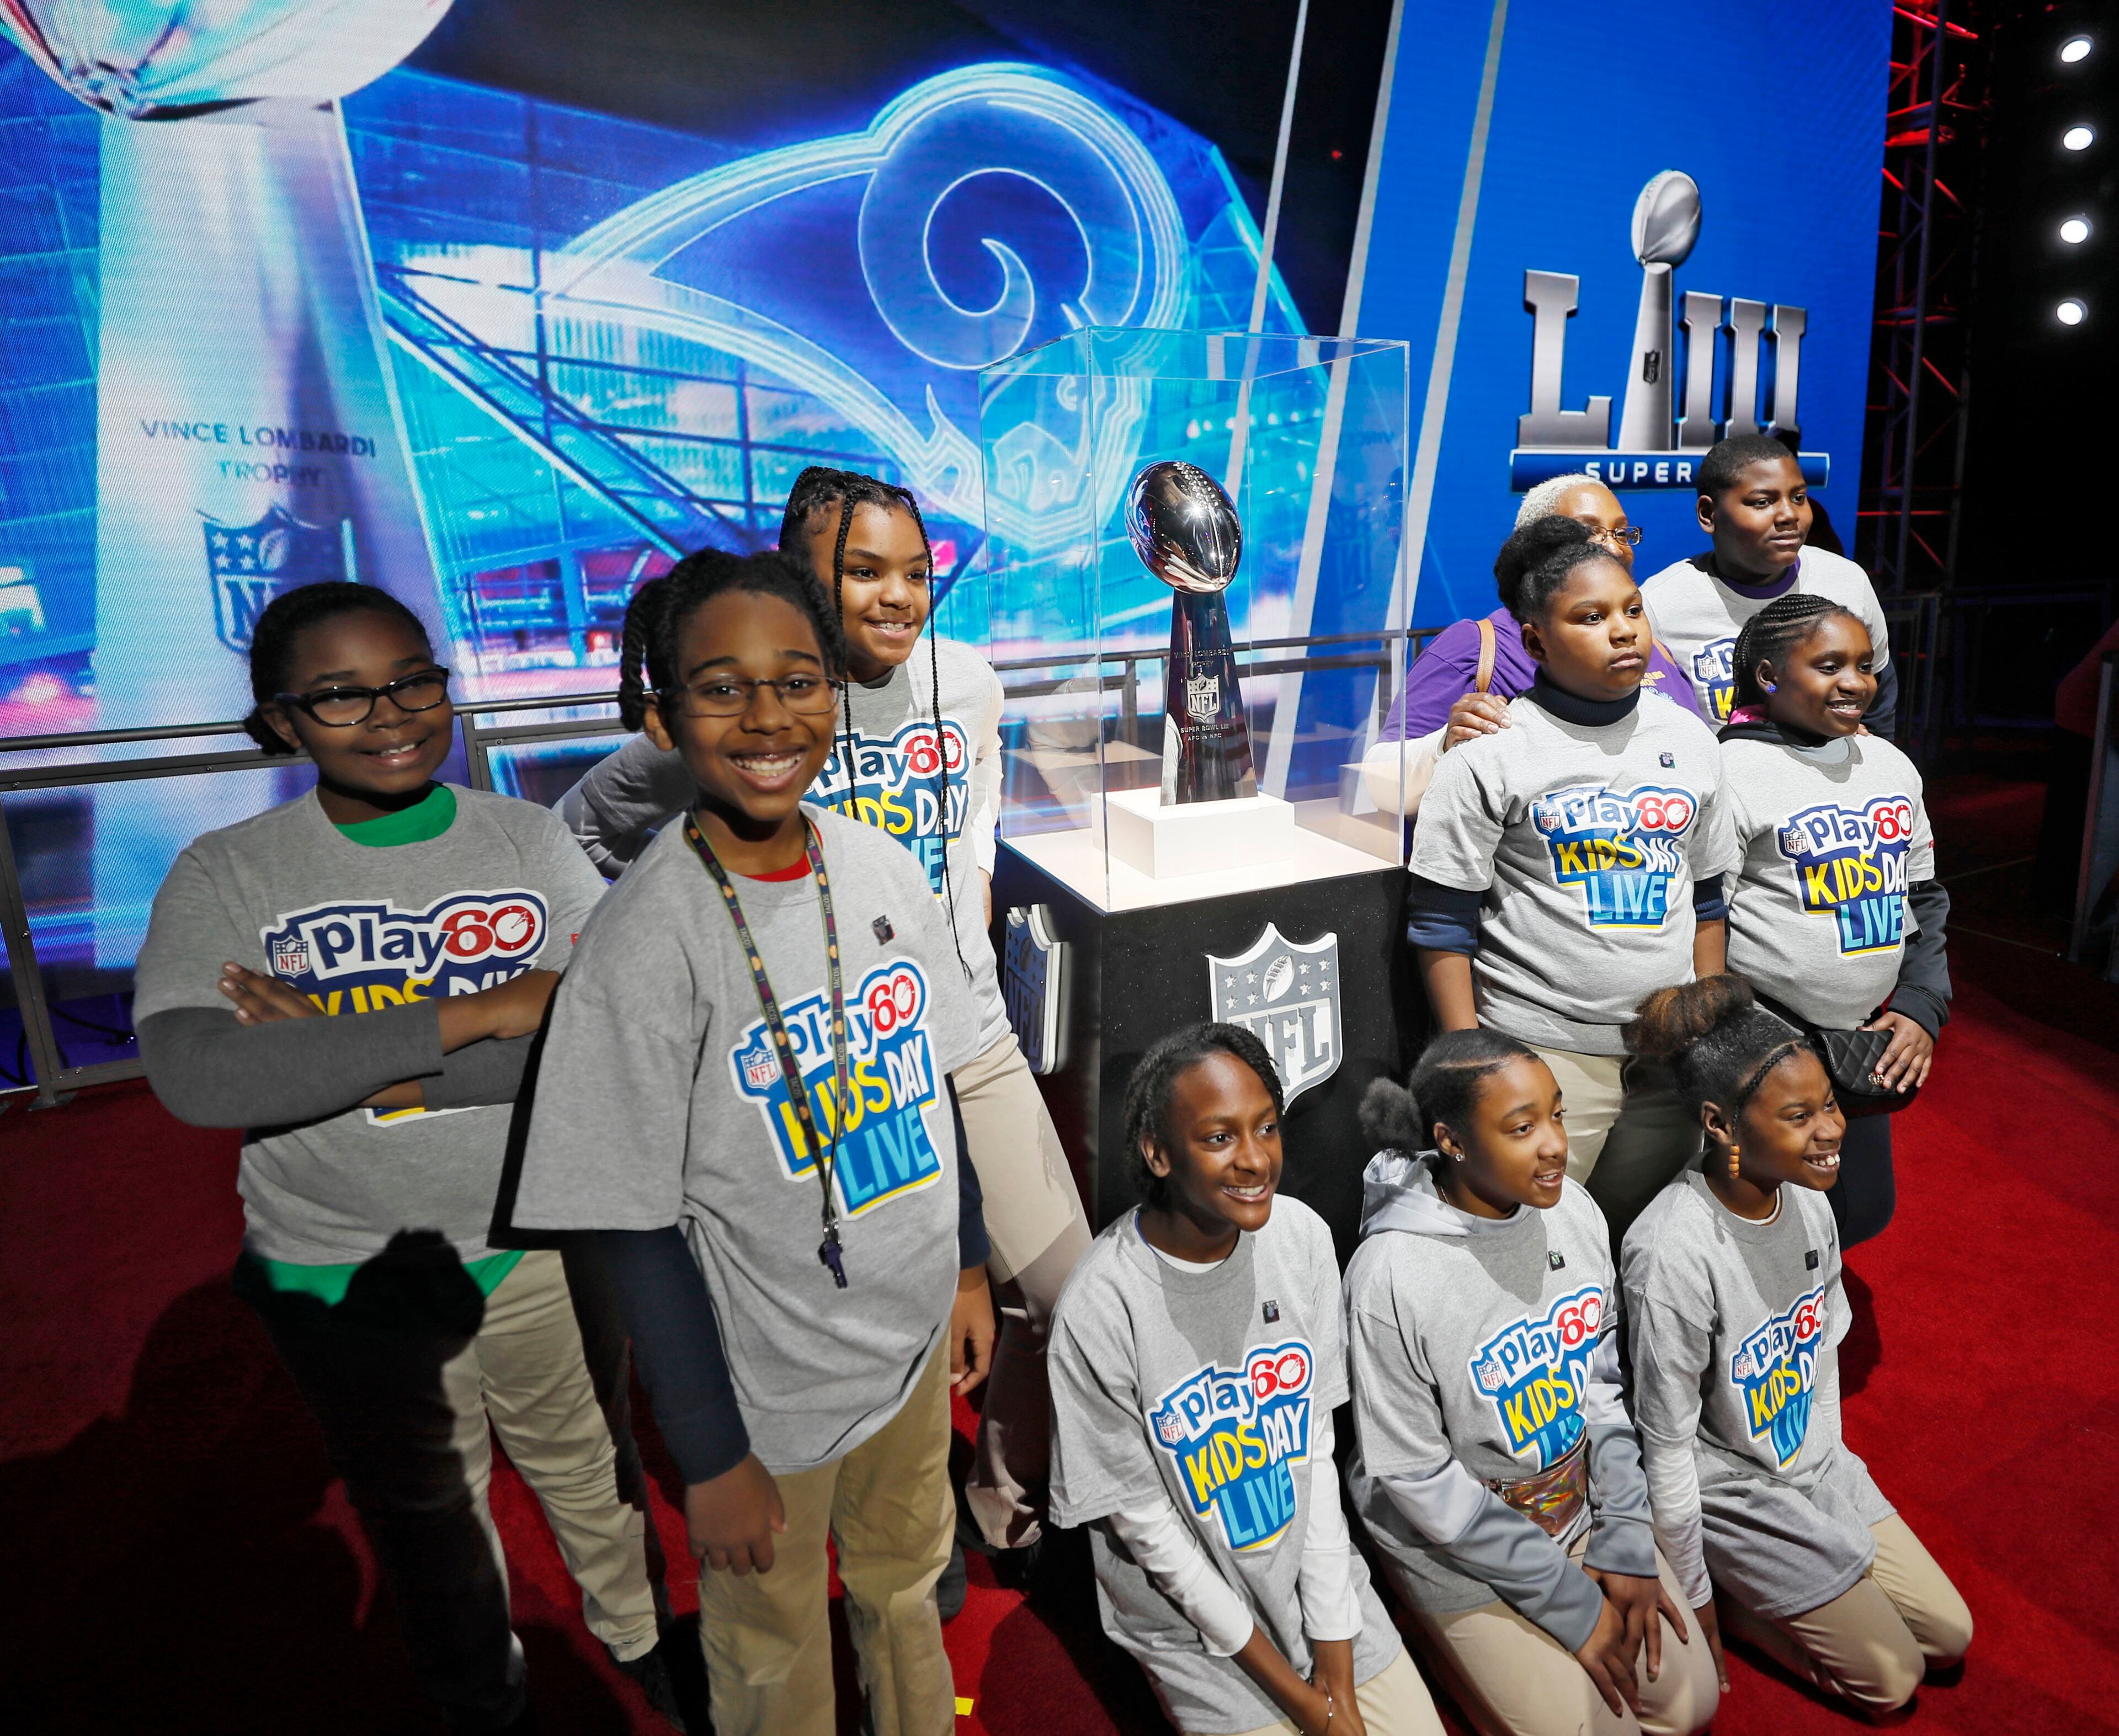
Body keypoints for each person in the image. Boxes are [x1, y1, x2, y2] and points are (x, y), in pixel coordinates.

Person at [132, 582, 676, 1735]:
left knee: (589, 1468)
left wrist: (337, 1055)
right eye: (339, 695)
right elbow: (204, 1075)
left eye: (413, 679)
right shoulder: (226, 872)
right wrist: (483, 1013)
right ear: (281, 720)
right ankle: (482, 1694)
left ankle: (643, 1642)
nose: (390, 713)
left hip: (533, 1237)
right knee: (426, 1511)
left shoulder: (526, 836)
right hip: (343, 1268)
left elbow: (607, 1032)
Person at [557, 467, 1090, 1574]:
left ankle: (997, 1496)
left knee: (1065, 1295)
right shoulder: (756, 707)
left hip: (966, 1036)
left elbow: (974, 846)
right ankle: (839, 1531)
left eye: (916, 570)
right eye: (862, 570)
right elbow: (579, 833)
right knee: (822, 1313)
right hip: (817, 1071)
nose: (898, 595)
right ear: (802, 575)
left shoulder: (973, 684)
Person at [509, 548, 994, 1736]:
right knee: (772, 1652)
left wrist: (971, 1261)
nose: (769, 715)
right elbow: (628, 1218)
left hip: (911, 1338)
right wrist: (711, 1452)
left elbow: (933, 1082)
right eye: (721, 687)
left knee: (904, 1590)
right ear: (661, 709)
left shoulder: (878, 865)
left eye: (799, 678)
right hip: (766, 1392)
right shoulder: (642, 941)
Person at [1046, 1024, 1441, 1736]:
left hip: (1315, 1575)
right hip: (1195, 1621)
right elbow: (1151, 1534)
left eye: (1265, 1127)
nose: (1256, 1158)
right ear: (1158, 1152)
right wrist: (1303, 1701)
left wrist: (1335, 1667)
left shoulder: (1301, 1237)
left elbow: (1314, 1456)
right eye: (1219, 1137)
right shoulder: (1097, 1307)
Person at [1343, 1031, 1717, 1736]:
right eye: (1521, 1127)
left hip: (1575, 1512)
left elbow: (1602, 1384)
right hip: (1456, 1551)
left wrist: (1628, 1532)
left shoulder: (1573, 1209)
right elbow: (1417, 1476)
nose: (1553, 1144)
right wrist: (1568, 1604)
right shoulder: (1389, 1276)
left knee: (1690, 1704)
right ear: (1451, 1141)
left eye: (1557, 1114)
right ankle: (1435, 1633)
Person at [1620, 976, 1972, 1716]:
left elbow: (1819, 1369)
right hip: (1731, 1490)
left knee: (1949, 1632)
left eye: (1831, 1104)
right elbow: (1669, 1446)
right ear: (1720, 1124)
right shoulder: (1671, 1252)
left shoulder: (1812, 1205)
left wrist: (1831, 1488)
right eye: (1798, 1114)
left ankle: (1811, 1583)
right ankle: (1746, 1597)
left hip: (1810, 1466)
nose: (1833, 1129)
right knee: (1891, 1680)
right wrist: (1696, 1594)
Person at [1405, 539, 1739, 1240]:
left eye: (1632, 610)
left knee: (1633, 1232)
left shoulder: (1691, 738)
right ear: (1535, 638)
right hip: (1543, 1053)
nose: (1622, 630)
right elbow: (1441, 922)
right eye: (1589, 617)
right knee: (1529, 1237)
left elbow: (1707, 895)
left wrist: (1707, 1021)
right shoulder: (1492, 752)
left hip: (1667, 1055)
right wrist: (1472, 1057)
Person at [1718, 592, 1950, 1247]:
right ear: (1769, 675)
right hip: (1766, 1041)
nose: (1856, 682)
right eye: (1829, 665)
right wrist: (1739, 1037)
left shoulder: (1890, 765)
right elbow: (1706, 920)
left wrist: (1922, 1001)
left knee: (1862, 1209)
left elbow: (1925, 898)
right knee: (1755, 1210)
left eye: (1865, 664)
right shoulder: (1733, 769)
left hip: (1861, 1040)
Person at [1360, 476, 1700, 818]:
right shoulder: (1478, 647)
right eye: (1590, 531)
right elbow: (1381, 783)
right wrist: (1445, 745)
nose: (1612, 547)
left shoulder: (1646, 645)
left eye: (1621, 533)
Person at [1639, 434, 1898, 736]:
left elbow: (1880, 696)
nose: (1789, 515)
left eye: (1799, 498)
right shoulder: (1659, 605)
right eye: (1763, 502)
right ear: (1709, 514)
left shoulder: (1846, 580)